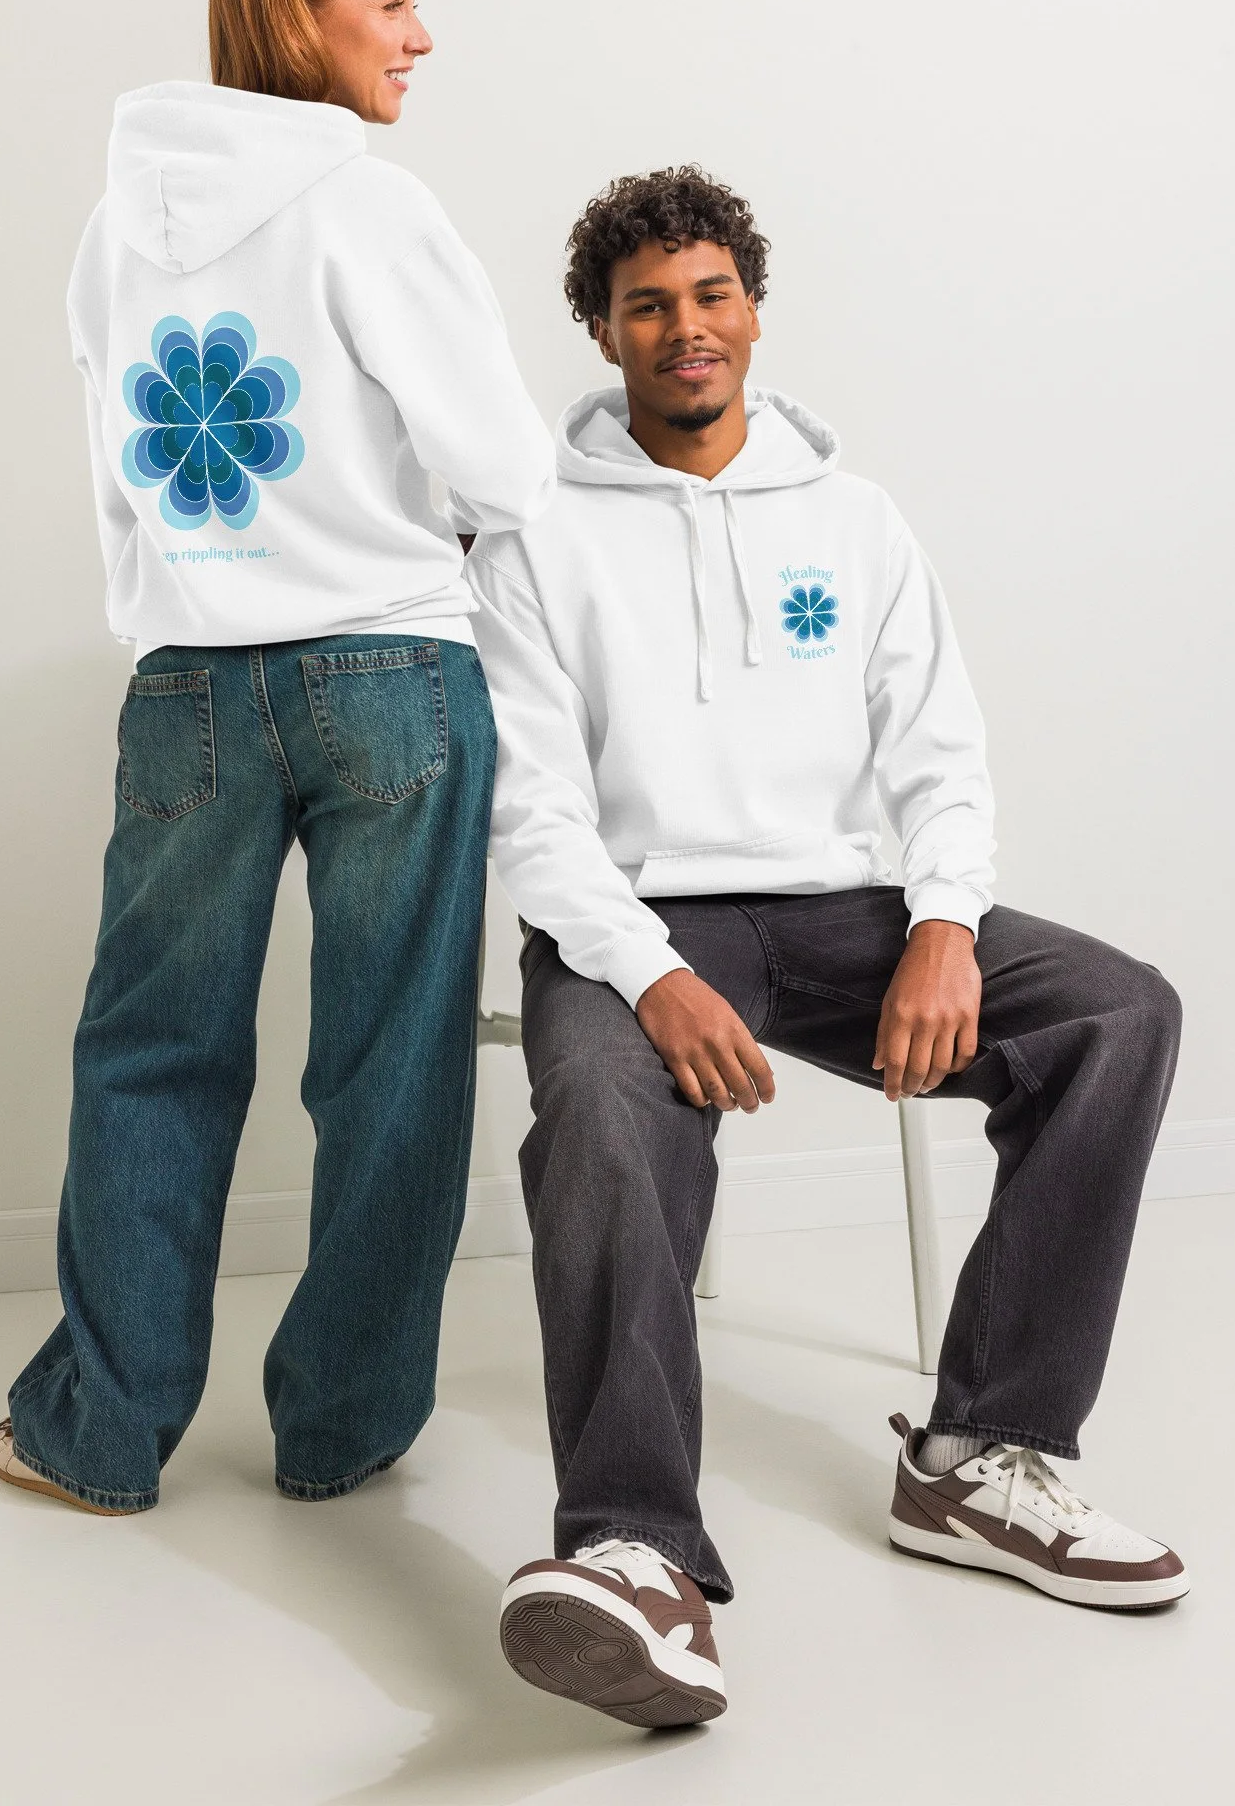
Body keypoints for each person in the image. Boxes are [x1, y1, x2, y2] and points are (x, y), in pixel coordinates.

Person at [470, 167, 1187, 1729]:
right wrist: (649, 973)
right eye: (648, 305)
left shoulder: (855, 521)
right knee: (600, 1105)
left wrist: (943, 925)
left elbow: (938, 753)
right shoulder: (531, 534)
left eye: (711, 295)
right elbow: (532, 811)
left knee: (1115, 1015)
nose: (686, 327)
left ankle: (984, 1457)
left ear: (752, 308)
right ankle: (633, 1554)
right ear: (603, 331)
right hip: (639, 923)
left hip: (845, 911)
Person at [0, 0, 553, 1516]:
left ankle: (99, 1435)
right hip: (392, 673)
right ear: (300, 15)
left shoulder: (113, 230)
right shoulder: (368, 206)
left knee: (149, 1052)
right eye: (394, 1)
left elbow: (123, 478)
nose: (421, 36)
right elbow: (506, 467)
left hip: (187, 686)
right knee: (392, 1061)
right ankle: (343, 1426)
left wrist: (195, 600)